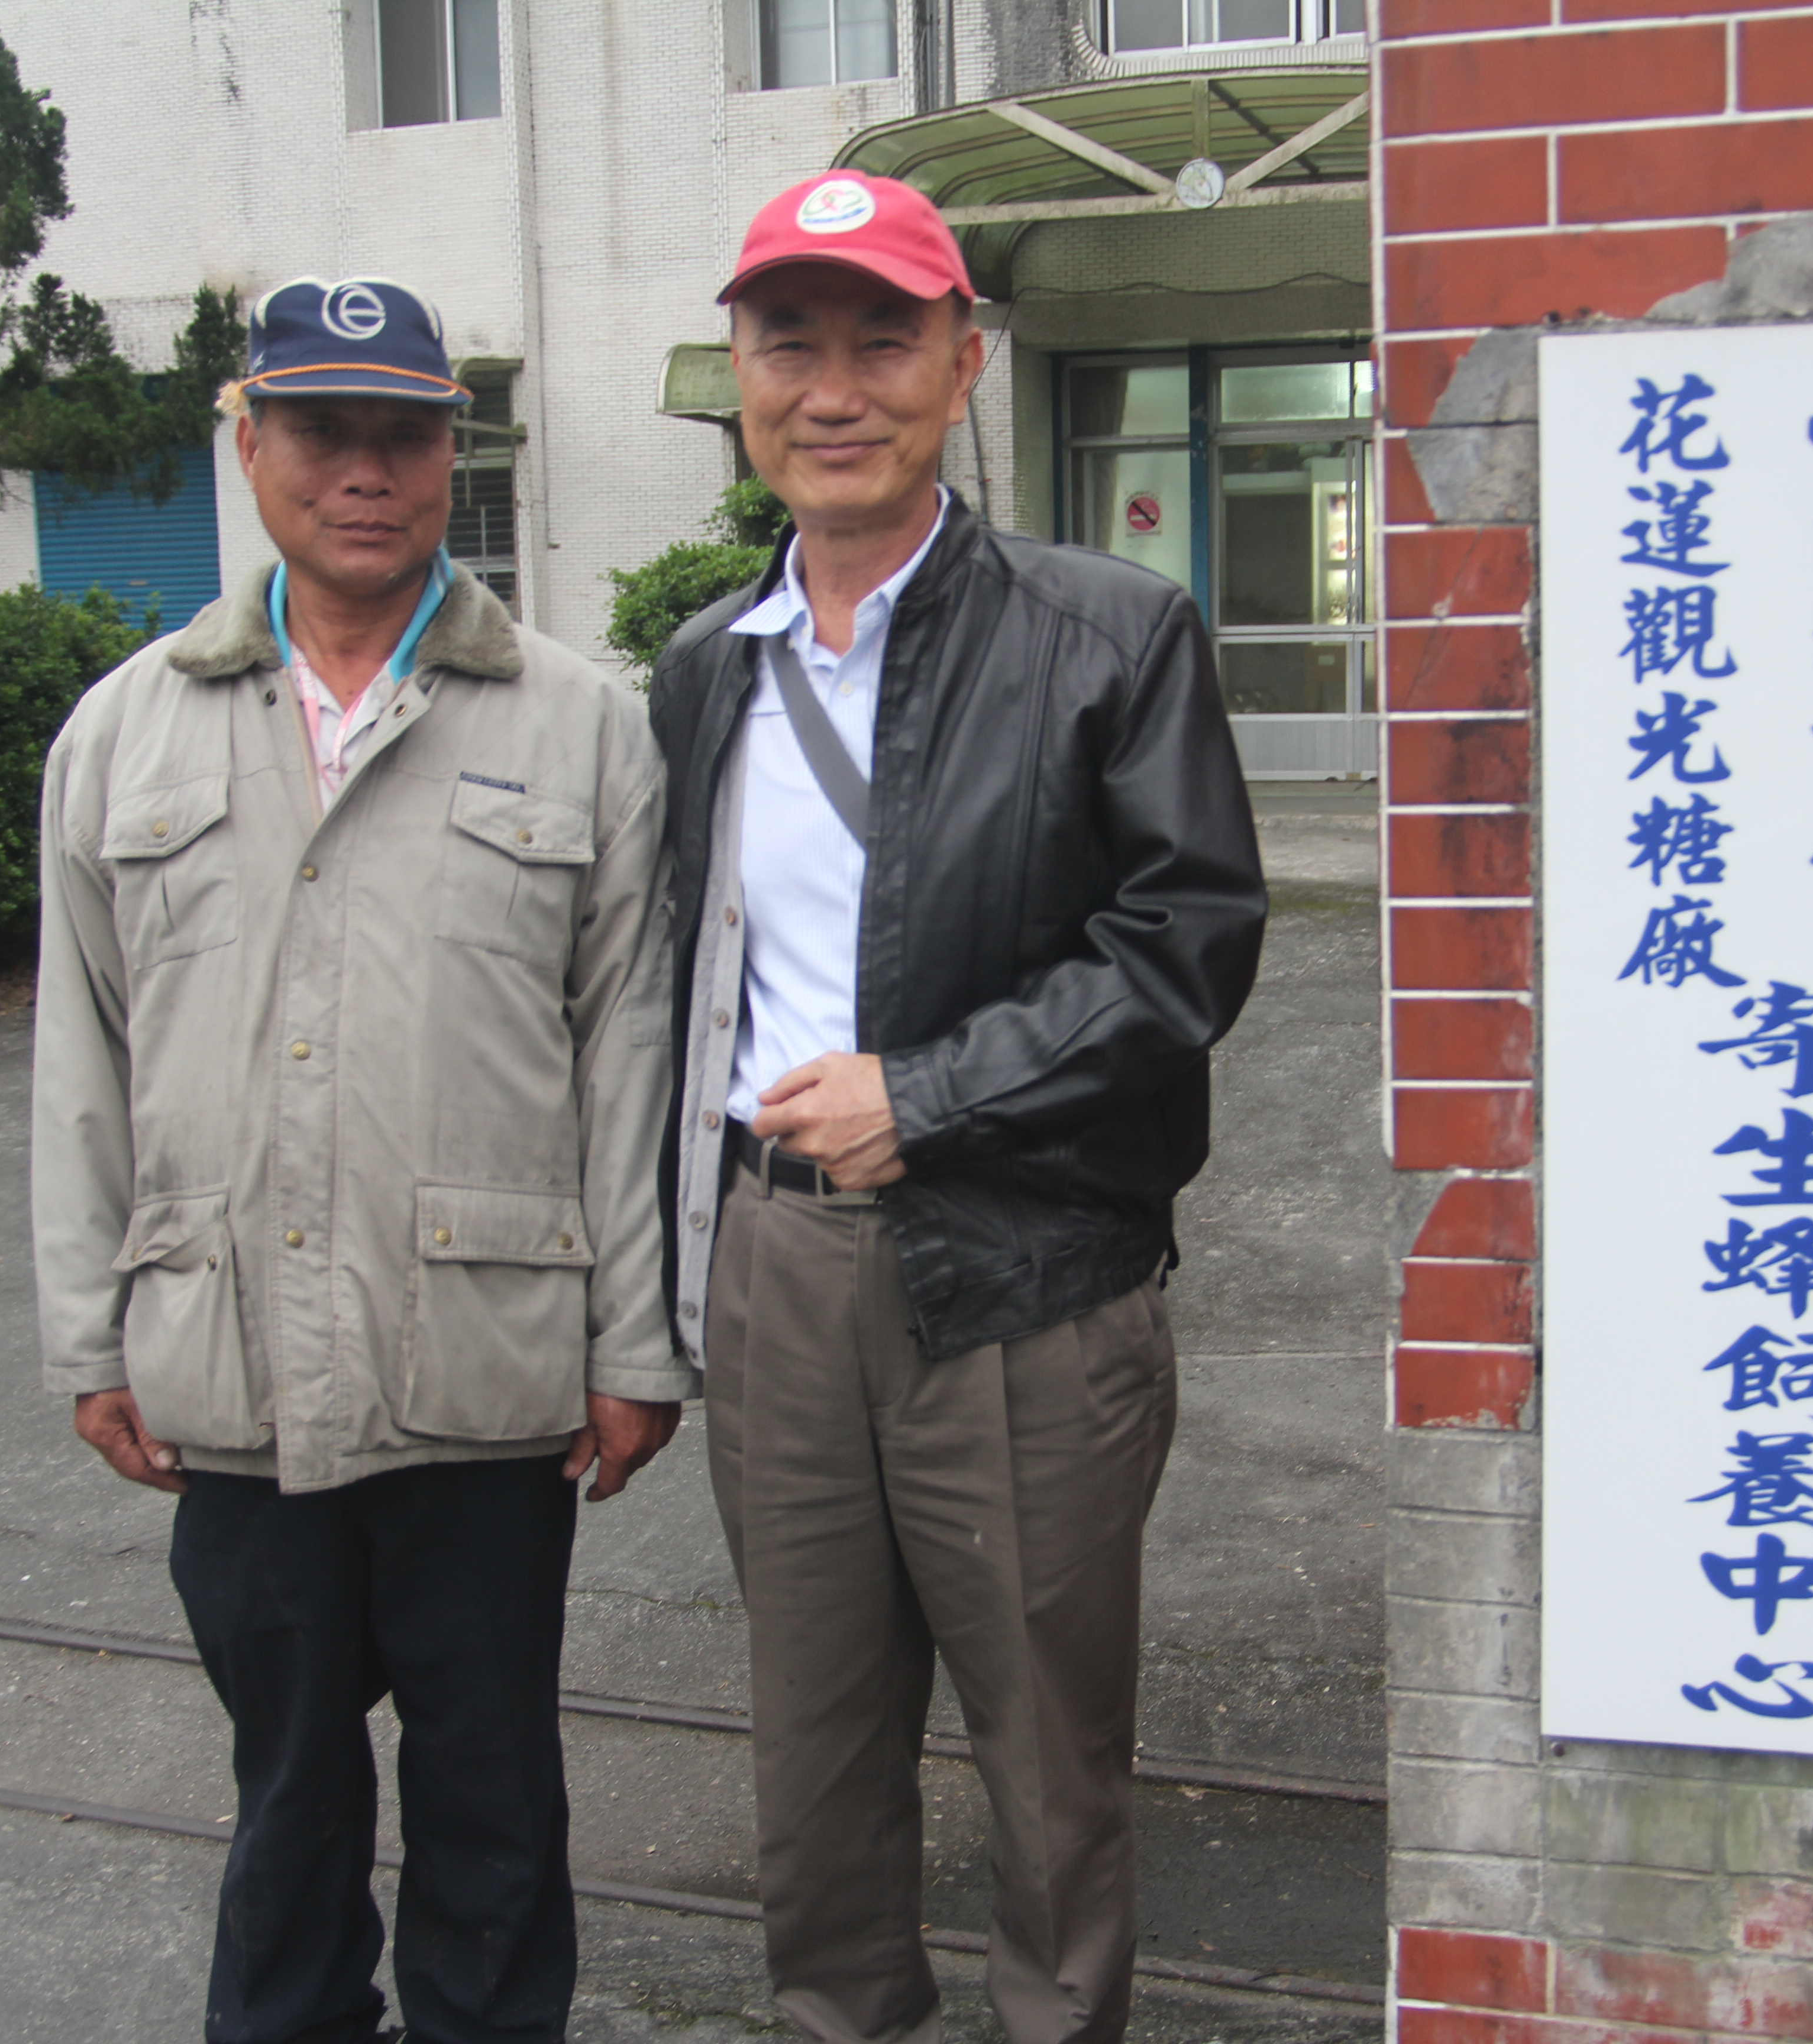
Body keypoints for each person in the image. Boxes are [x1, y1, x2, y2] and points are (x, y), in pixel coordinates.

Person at [647, 173, 1268, 2044]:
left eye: (882, 340)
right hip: (778, 1274)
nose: (834, 390)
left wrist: (933, 1095)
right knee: (812, 1739)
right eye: (791, 343)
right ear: (740, 376)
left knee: (1047, 1753)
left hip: (1028, 1285)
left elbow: (1188, 946)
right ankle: (843, 2017)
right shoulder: (705, 669)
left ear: (962, 366)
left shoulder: (1108, 632)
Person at [30, 274, 686, 2044]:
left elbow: (627, 1053)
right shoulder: (126, 732)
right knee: (289, 1799)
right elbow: (80, 1055)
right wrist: (89, 1335)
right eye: (322, 429)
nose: (365, 470)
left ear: (452, 450)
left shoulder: (581, 724)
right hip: (231, 1373)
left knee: (493, 1805)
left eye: (404, 432)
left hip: (484, 1374)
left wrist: (637, 1349)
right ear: (248, 443)